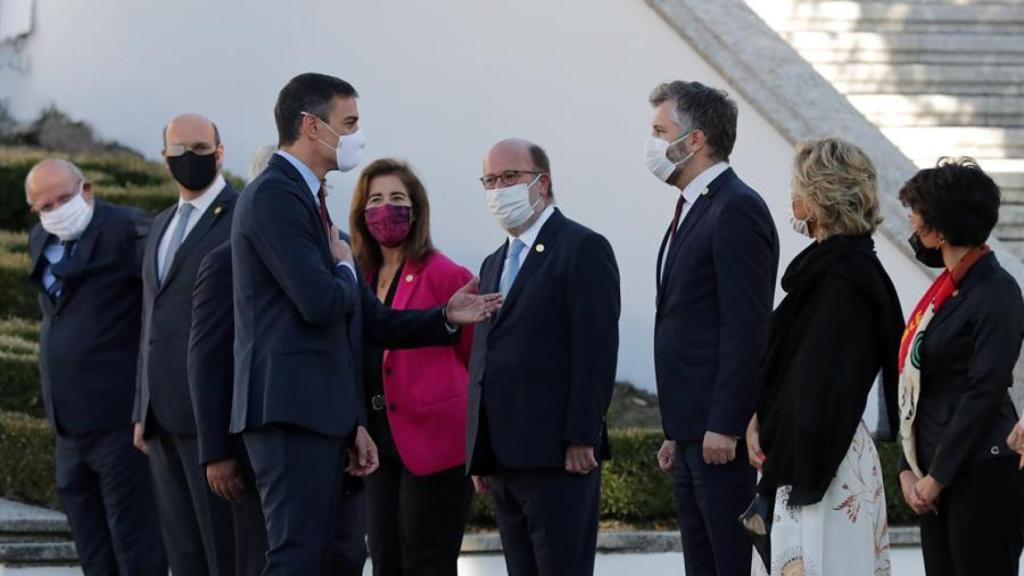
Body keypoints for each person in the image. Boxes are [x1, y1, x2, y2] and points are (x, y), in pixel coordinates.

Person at [231, 72, 501, 575]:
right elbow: (318, 301)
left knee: (331, 557)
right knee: (295, 556)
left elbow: (369, 319)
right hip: (289, 411)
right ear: (312, 126)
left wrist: (445, 316)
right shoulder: (274, 194)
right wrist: (342, 264)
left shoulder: (311, 200)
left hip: (319, 414)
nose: (357, 135)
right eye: (349, 122)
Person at [747, 139, 902, 575]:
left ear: (820, 200)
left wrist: (770, 434)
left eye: (798, 187)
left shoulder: (843, 281)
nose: (792, 197)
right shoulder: (831, 270)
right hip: (809, 455)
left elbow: (817, 383)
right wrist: (759, 418)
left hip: (822, 465)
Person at [468, 138, 620, 576]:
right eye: (491, 180)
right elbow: (486, 356)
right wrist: (481, 451)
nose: (500, 188)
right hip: (504, 461)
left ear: (542, 181)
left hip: (558, 456)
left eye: (510, 177)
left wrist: (582, 434)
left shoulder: (582, 247)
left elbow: (596, 349)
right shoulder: (494, 262)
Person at [645, 80, 779, 576]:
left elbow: (745, 328)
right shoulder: (695, 206)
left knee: (729, 564)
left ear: (695, 139)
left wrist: (724, 422)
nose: (651, 142)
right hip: (691, 434)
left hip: (719, 438)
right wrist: (676, 431)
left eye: (660, 131)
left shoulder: (735, 207)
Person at [24, 159, 166, 575]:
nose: (56, 210)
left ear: (86, 190)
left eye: (63, 199)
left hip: (121, 425)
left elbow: (163, 303)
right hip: (68, 428)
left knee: (136, 548)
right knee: (92, 552)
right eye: (45, 206)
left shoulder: (129, 230)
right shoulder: (40, 240)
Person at [896, 157, 1024, 576]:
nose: (911, 224)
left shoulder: (996, 291)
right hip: (935, 475)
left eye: (916, 214)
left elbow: (982, 392)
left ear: (941, 228)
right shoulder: (947, 291)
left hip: (979, 472)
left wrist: (937, 477)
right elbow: (915, 386)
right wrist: (908, 470)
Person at [349, 158, 475, 576]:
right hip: (377, 443)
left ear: (416, 209)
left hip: (435, 439)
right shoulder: (356, 279)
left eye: (397, 198)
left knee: (427, 561)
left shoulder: (443, 273)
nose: (386, 209)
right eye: (376, 199)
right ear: (362, 214)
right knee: (385, 557)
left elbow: (474, 360)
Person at [132, 113, 240, 575]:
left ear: (220, 153)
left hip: (211, 421)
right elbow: (151, 320)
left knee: (226, 554)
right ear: (164, 157)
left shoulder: (241, 216)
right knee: (185, 556)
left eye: (199, 149)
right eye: (178, 151)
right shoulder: (160, 225)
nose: (188, 159)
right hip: (162, 422)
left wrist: (222, 441)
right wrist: (143, 407)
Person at [188, 239, 268, 576]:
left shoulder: (340, 252)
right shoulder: (226, 259)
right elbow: (208, 358)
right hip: (253, 448)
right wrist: (216, 450)